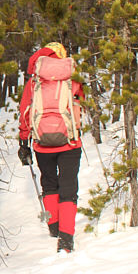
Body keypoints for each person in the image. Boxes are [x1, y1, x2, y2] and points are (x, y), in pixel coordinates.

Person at [17, 42, 84, 253]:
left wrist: (23, 141)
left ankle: (53, 227)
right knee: (69, 186)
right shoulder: (72, 78)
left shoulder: (34, 82)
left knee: (49, 183)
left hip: (42, 143)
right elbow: (79, 104)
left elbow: (25, 111)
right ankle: (66, 239)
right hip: (70, 142)